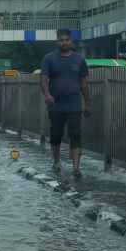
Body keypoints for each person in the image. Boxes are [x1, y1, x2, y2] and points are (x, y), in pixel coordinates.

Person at [41, 28, 91, 178]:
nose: (64, 43)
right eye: (61, 40)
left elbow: (84, 83)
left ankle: (76, 168)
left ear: (71, 41)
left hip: (74, 104)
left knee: (75, 134)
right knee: (56, 135)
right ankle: (56, 162)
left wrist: (87, 103)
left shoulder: (79, 60)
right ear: (57, 41)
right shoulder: (49, 59)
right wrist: (47, 94)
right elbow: (44, 79)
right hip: (55, 104)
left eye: (67, 40)